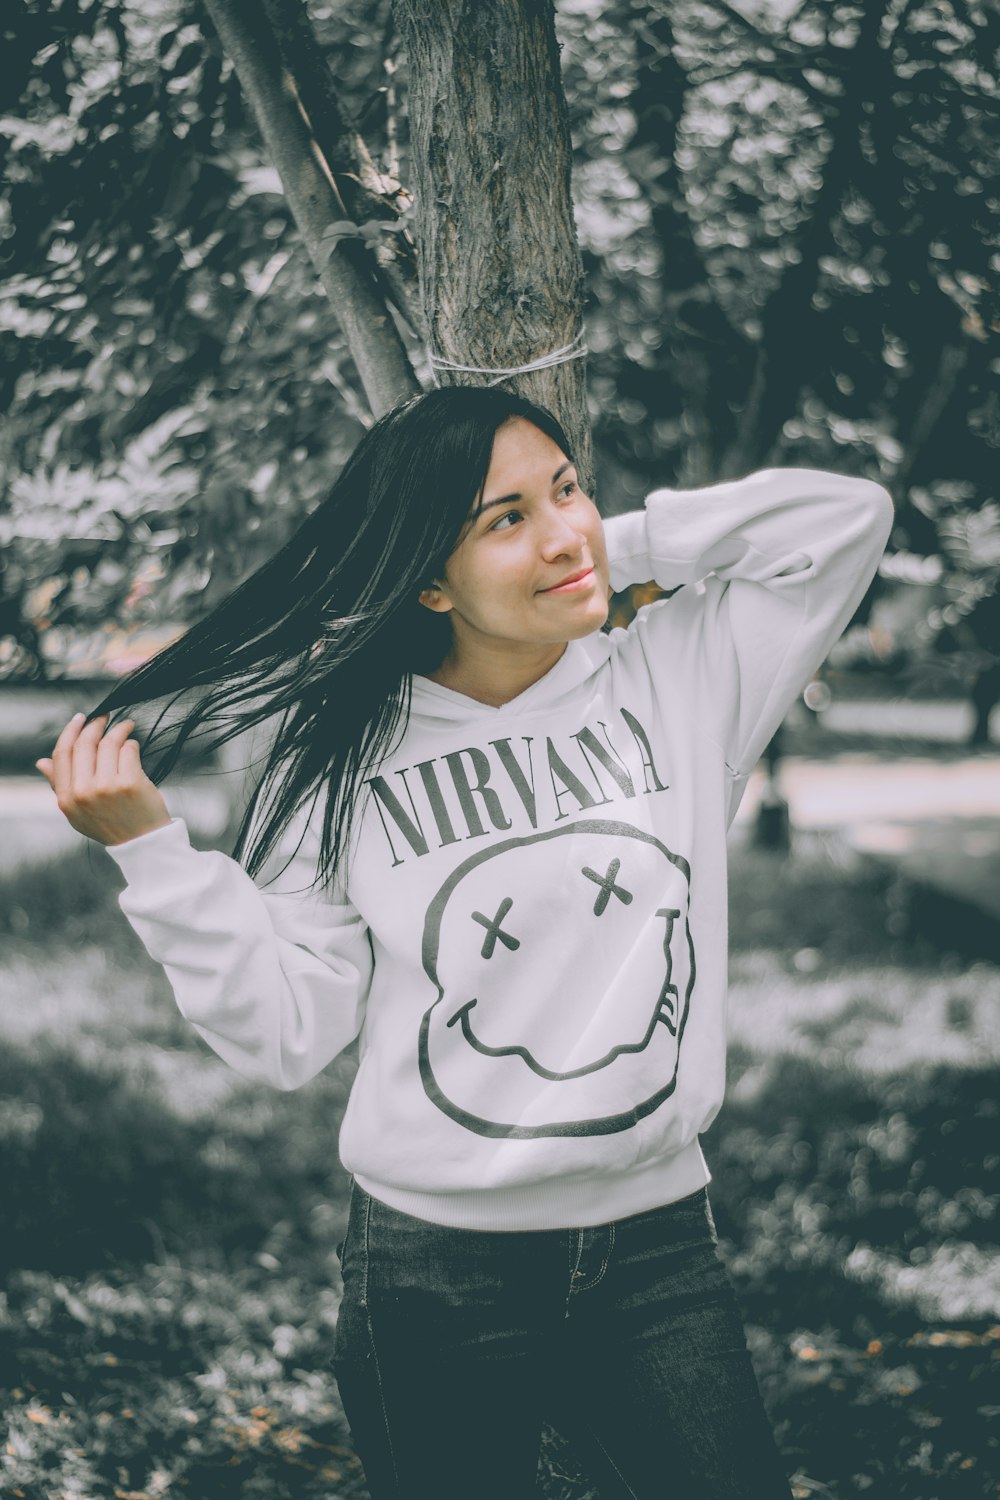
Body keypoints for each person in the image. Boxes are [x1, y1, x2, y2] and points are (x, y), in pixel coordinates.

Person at [38, 385, 894, 1499]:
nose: (557, 528)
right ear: (427, 580)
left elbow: (846, 519)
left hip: (657, 1250)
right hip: (436, 1271)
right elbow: (288, 1035)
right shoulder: (340, 758)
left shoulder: (679, 679)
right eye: (502, 518)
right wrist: (154, 856)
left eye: (566, 487)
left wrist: (597, 546)